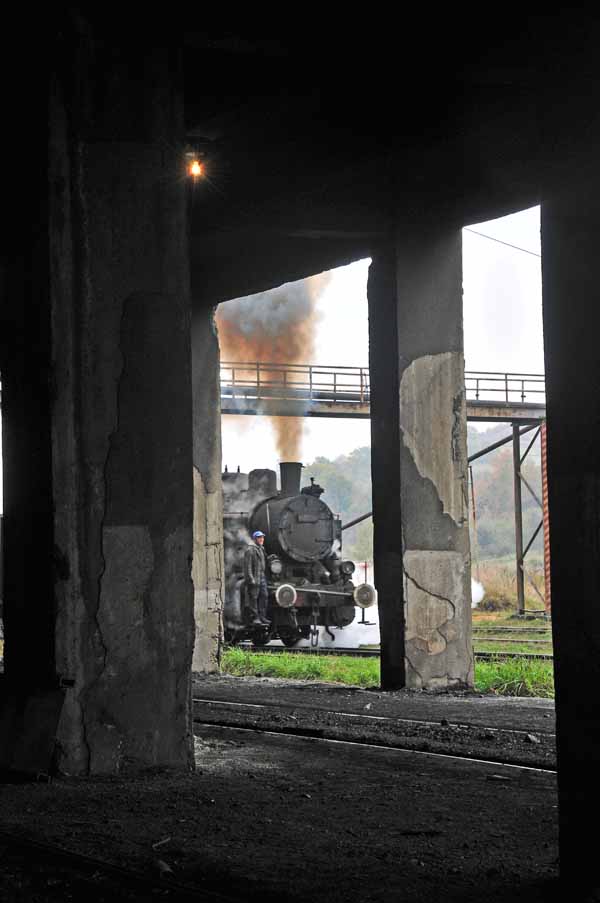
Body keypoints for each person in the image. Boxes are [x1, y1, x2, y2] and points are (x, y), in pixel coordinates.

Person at [243, 531, 270, 627]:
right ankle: (255, 618)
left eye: (262, 537)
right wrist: (251, 579)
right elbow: (248, 566)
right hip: (255, 577)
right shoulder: (250, 550)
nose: (261, 539)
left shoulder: (261, 549)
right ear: (255, 539)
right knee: (253, 598)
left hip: (262, 576)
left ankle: (262, 616)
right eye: (259, 538)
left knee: (264, 596)